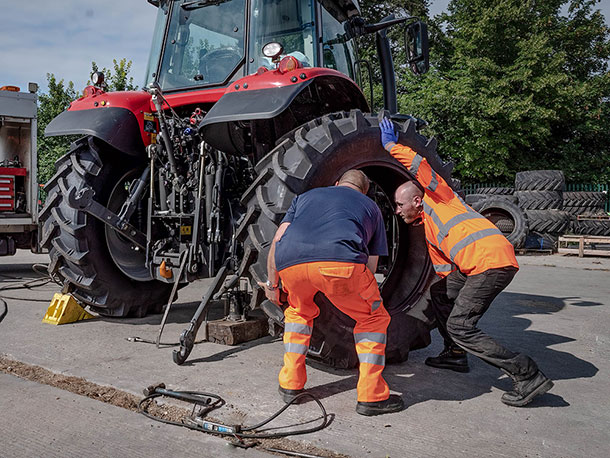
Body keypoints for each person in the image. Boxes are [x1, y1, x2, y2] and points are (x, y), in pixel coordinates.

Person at [380, 118, 553, 407]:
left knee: (462, 325)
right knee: (440, 293)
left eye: (400, 205)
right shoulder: (430, 228)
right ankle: (456, 354)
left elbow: (421, 168)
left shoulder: (441, 198)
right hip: (476, 265)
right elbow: (444, 272)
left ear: (417, 202)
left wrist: (391, 146)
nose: (397, 211)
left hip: (491, 263)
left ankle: (527, 374)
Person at [259, 169, 404, 416]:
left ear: (337, 183)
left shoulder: (304, 198)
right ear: (364, 190)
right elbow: (370, 264)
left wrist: (273, 285)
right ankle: (372, 397)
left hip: (290, 264)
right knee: (373, 318)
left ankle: (290, 385)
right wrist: (361, 296)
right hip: (340, 263)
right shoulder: (370, 207)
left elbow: (277, 241)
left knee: (298, 313)